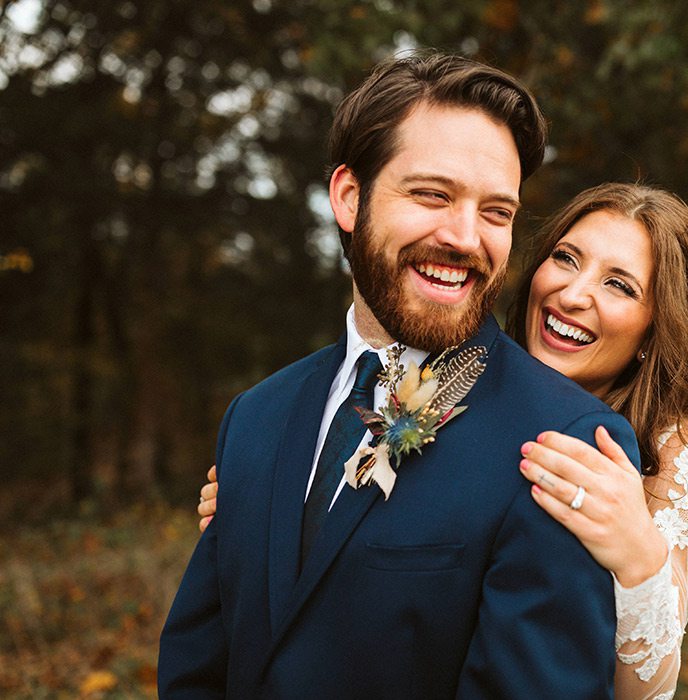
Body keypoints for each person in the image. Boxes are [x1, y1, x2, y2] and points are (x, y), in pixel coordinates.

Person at [159, 53, 642, 699]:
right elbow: (197, 663)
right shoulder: (256, 416)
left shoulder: (562, 443)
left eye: (496, 212)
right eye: (432, 194)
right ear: (350, 198)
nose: (466, 237)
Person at [196, 182, 688, 698]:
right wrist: (268, 509)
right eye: (566, 258)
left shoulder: (669, 448)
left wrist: (639, 562)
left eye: (619, 284)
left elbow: (645, 690)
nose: (573, 293)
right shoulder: (450, 374)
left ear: (655, 328)